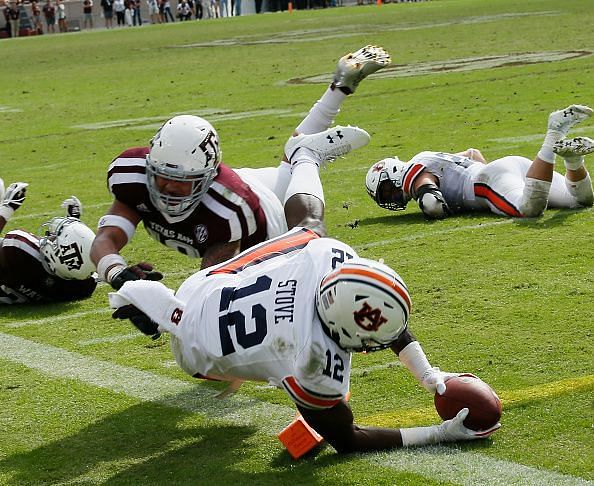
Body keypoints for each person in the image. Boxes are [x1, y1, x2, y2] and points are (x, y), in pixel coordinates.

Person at [109, 129, 500, 454]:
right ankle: (304, 157)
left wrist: (428, 375)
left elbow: (369, 303)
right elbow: (349, 440)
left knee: (311, 229)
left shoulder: (327, 261)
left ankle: (305, 158)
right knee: (324, 405)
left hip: (205, 287)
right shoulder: (313, 361)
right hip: (197, 354)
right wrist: (438, 435)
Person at [91, 45, 390, 291]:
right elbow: (106, 240)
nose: (167, 189)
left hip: (267, 220)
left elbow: (208, 287)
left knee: (308, 239)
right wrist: (118, 274)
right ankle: (338, 89)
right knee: (287, 167)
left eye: (180, 182)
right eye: (161, 177)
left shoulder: (228, 211)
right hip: (245, 183)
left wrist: (153, 305)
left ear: (204, 181)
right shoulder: (132, 174)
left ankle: (308, 157)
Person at [365, 105, 594, 219]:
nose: (391, 197)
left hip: (485, 182)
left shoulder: (414, 172)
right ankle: (574, 159)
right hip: (509, 168)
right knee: (580, 201)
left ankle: (554, 133)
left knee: (529, 209)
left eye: (386, 190)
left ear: (394, 173)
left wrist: (438, 208)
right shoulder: (428, 157)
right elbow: (473, 153)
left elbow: (432, 203)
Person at [0, 185, 97, 305]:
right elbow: (80, 260)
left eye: (56, 237)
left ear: (56, 254)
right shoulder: (84, 286)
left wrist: (7, 208)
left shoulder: (19, 248)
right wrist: (73, 220)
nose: (52, 235)